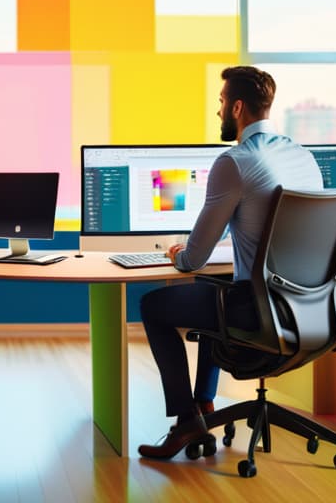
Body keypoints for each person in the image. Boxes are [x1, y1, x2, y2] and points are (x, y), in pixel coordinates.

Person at [137, 65, 324, 460]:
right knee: (212, 295)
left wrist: (175, 252)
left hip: (259, 311)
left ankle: (187, 421)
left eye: (221, 102)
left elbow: (193, 259)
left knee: (152, 306)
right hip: (309, 310)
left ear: (237, 107)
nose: (218, 111)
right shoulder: (303, 157)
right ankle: (205, 403)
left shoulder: (234, 162)